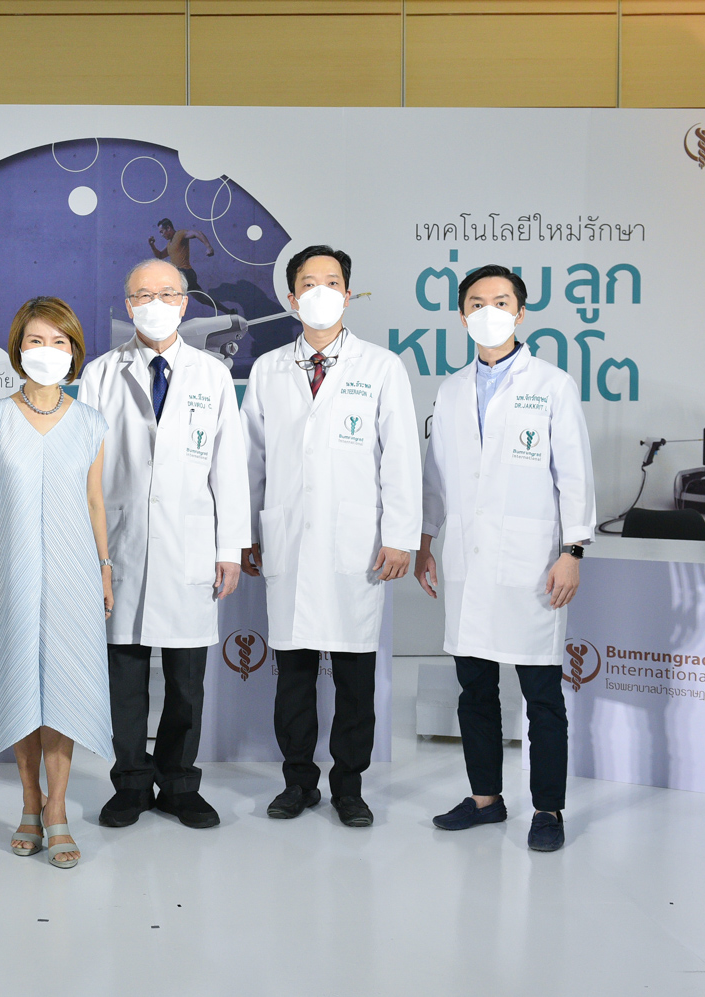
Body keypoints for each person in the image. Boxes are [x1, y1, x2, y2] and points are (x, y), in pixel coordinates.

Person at [240, 244, 422, 828]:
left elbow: (401, 458)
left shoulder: (381, 367)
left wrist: (400, 535)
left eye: (332, 282)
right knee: (292, 676)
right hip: (288, 538)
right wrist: (246, 531)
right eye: (309, 283)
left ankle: (349, 787)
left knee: (353, 677)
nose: (321, 292)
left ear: (348, 293)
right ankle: (298, 782)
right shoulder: (269, 369)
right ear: (291, 297)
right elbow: (251, 460)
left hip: (357, 543)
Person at [417, 264, 596, 853]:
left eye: (501, 301)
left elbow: (574, 476)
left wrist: (572, 550)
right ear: (461, 315)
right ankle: (485, 800)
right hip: (468, 561)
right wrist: (426, 539)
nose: (488, 311)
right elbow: (438, 477)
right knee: (475, 690)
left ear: (520, 312)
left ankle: (548, 809)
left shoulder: (552, 384)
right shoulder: (451, 390)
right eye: (476, 302)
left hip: (532, 562)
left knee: (541, 694)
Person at [76, 259, 249, 830]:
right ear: (128, 305)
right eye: (143, 295)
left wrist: (229, 549)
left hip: (189, 545)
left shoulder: (212, 375)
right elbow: (86, 470)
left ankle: (178, 784)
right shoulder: (101, 374)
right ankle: (129, 783)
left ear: (185, 302)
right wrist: (91, 550)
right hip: (118, 544)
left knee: (186, 681)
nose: (156, 304)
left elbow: (229, 467)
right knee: (123, 677)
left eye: (167, 293)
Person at [0, 296, 113, 870]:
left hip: (75, 575)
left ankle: (57, 810)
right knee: (20, 687)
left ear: (74, 351)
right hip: (10, 572)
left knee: (64, 693)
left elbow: (96, 503)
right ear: (18, 349)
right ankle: (29, 802)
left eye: (58, 342)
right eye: (35, 341)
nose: (47, 351)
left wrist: (105, 568)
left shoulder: (91, 423)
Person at [149, 218, 214, 296]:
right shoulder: (169, 244)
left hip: (185, 273)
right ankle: (221, 306)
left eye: (162, 232)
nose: (161, 235)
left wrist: (209, 247)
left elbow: (197, 233)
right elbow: (160, 255)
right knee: (202, 298)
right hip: (183, 276)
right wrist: (152, 245)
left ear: (168, 228)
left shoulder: (180, 234)